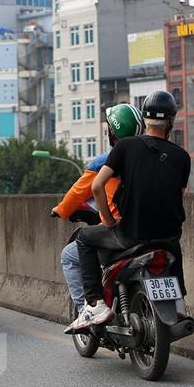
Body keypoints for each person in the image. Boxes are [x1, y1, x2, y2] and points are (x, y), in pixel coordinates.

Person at [68, 91, 191, 331]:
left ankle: (94, 305)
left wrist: (110, 221)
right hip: (167, 236)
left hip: (130, 234)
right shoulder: (182, 157)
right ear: (171, 121)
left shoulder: (126, 146)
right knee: (173, 246)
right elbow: (177, 194)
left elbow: (96, 186)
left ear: (145, 120)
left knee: (84, 238)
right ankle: (179, 304)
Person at [52, 103, 143, 313]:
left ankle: (88, 309)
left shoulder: (105, 162)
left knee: (69, 255)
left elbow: (78, 192)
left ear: (113, 132)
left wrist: (61, 210)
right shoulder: (148, 158)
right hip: (150, 228)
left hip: (118, 232)